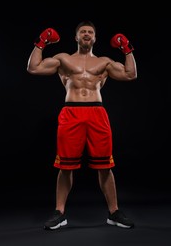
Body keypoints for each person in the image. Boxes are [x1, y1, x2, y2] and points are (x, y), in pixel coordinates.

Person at [27, 20, 137, 230]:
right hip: (71, 112)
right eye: (82, 32)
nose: (87, 34)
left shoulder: (104, 62)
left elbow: (131, 74)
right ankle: (59, 213)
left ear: (95, 38)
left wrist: (127, 48)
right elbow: (33, 68)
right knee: (65, 167)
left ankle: (114, 212)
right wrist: (40, 43)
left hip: (97, 112)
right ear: (76, 37)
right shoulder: (63, 59)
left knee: (105, 166)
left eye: (90, 32)